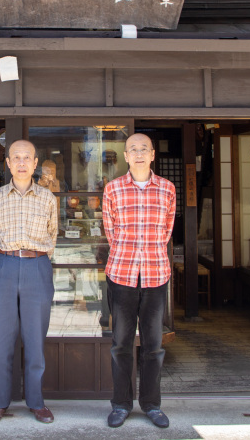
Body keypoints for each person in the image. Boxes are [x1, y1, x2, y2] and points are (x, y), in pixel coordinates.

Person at [102, 133, 176, 429]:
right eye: (133, 149)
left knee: (153, 346)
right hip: (121, 274)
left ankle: (151, 404)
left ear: (153, 154)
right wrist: (130, 254)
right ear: (126, 156)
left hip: (156, 274)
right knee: (121, 343)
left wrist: (148, 255)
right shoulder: (113, 189)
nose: (139, 153)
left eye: (144, 149)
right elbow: (111, 231)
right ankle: (121, 404)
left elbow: (167, 231)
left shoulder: (167, 189)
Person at [0, 140, 59, 426]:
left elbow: (52, 236)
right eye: (17, 157)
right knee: (2, 340)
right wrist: (9, 257)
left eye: (28, 157)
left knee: (35, 339)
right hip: (3, 265)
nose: (23, 162)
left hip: (37, 265)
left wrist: (35, 257)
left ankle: (37, 402)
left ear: (36, 163)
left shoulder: (48, 199)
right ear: (9, 163)